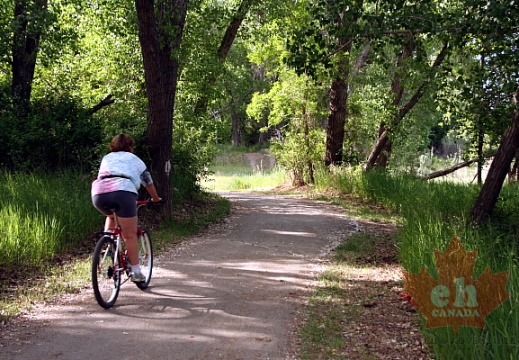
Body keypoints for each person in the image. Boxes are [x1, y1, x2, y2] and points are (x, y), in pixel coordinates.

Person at [91, 133, 162, 282]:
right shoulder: (134, 159)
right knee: (129, 235)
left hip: (98, 193)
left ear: (113, 145)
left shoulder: (107, 158)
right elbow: (147, 182)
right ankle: (136, 272)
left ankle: (108, 241)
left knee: (111, 215)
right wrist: (155, 198)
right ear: (130, 147)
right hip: (123, 192)